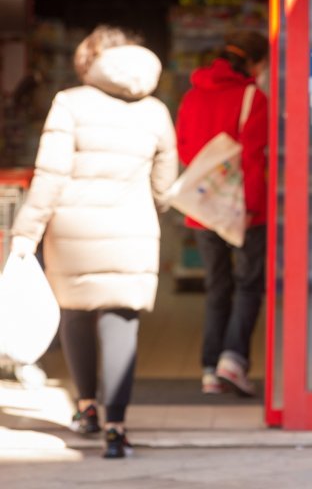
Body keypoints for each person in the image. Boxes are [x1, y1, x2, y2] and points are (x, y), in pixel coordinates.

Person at [9, 25, 177, 458]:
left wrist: (26, 232)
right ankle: (116, 428)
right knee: (122, 323)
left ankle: (86, 409)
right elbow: (165, 185)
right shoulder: (155, 110)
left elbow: (50, 176)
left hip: (73, 231)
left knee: (77, 315)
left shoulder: (70, 103)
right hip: (133, 229)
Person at [175, 30, 268, 397]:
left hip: (202, 210)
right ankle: (233, 361)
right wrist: (253, 208)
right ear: (254, 63)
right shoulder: (252, 98)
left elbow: (184, 149)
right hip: (244, 211)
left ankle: (210, 370)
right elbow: (253, 159)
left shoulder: (192, 96)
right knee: (247, 285)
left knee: (217, 287)